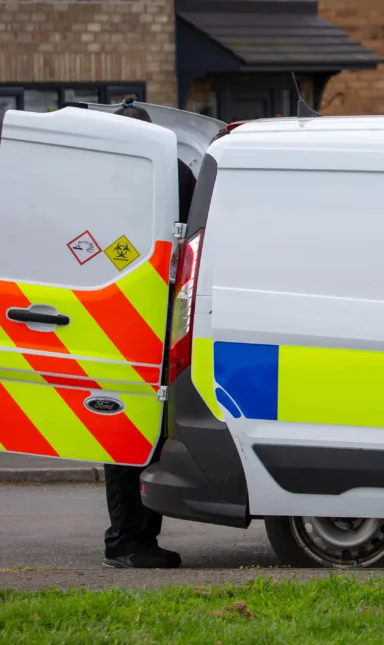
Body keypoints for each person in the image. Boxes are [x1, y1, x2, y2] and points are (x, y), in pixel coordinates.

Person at [102, 95, 196, 569]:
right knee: (131, 434)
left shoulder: (102, 175)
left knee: (136, 433)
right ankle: (127, 540)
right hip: (140, 320)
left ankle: (134, 536)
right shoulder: (170, 169)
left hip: (127, 319)